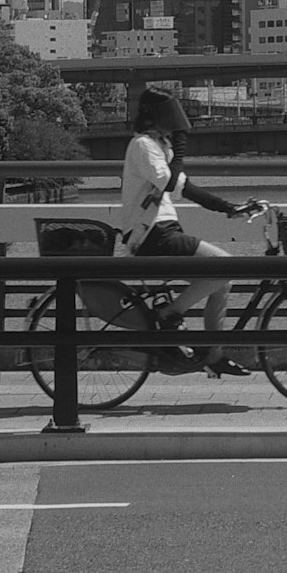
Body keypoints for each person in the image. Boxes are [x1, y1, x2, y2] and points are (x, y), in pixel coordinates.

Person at [121, 83, 258, 375]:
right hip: (152, 235)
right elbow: (169, 181)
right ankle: (171, 312)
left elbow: (187, 189)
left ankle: (213, 355)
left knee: (222, 282)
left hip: (163, 232)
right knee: (225, 265)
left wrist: (229, 208)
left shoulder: (159, 146)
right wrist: (180, 147)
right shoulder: (143, 145)